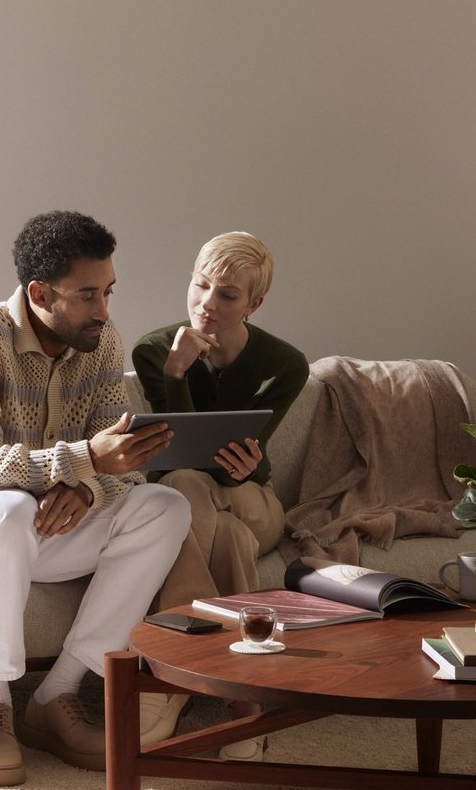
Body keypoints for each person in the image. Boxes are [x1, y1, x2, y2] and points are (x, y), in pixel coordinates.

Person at [0, 210, 191, 786]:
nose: (103, 310)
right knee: (7, 506)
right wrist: (83, 461)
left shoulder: (101, 344)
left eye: (108, 291)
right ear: (39, 293)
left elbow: (123, 464)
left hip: (36, 531)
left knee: (166, 507)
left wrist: (87, 485)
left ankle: (56, 696)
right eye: (87, 295)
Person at [130, 231, 309, 762]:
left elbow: (233, 469)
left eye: (227, 294)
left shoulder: (284, 364)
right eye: (200, 285)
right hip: (200, 505)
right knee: (202, 508)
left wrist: (237, 467)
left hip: (253, 500)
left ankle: (174, 673)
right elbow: (176, 452)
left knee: (188, 488)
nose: (207, 303)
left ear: (254, 304)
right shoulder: (155, 351)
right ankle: (244, 698)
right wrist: (176, 373)